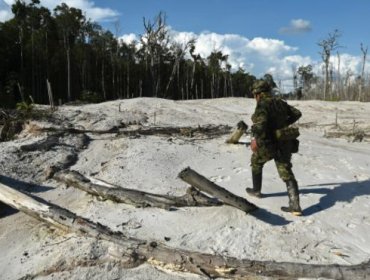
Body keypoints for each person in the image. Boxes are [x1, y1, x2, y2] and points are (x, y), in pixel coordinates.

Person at [246, 79, 303, 216]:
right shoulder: (279, 102)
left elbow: (260, 126)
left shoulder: (262, 104)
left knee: (256, 162)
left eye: (255, 94)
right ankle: (295, 206)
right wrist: (283, 124)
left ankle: (256, 191)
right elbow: (297, 113)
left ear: (257, 93)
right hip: (284, 141)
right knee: (286, 171)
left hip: (268, 142)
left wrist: (254, 140)